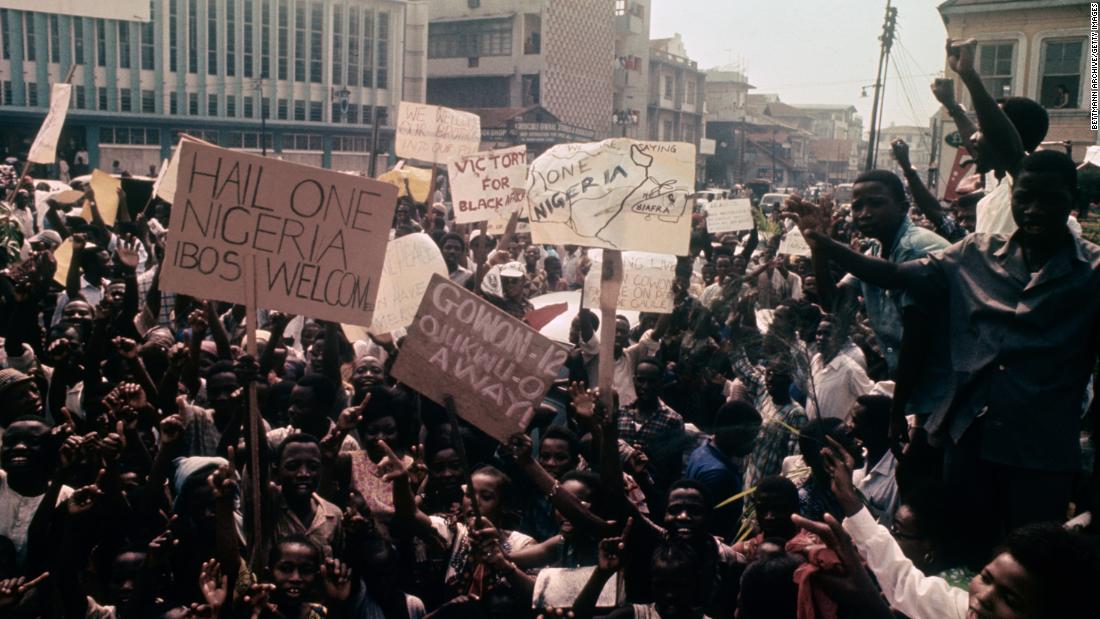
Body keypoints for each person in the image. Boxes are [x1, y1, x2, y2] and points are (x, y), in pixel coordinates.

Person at [797, 149, 1099, 562]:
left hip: (1041, 450)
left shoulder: (1093, 273)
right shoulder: (974, 254)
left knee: (1029, 563)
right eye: (1024, 197)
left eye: (1049, 198)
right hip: (969, 439)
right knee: (965, 550)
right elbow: (896, 276)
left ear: (1073, 203)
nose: (1034, 210)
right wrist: (822, 242)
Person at [683, 399, 760, 538]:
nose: (753, 445)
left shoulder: (702, 451)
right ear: (733, 434)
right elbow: (719, 529)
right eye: (750, 438)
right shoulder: (719, 475)